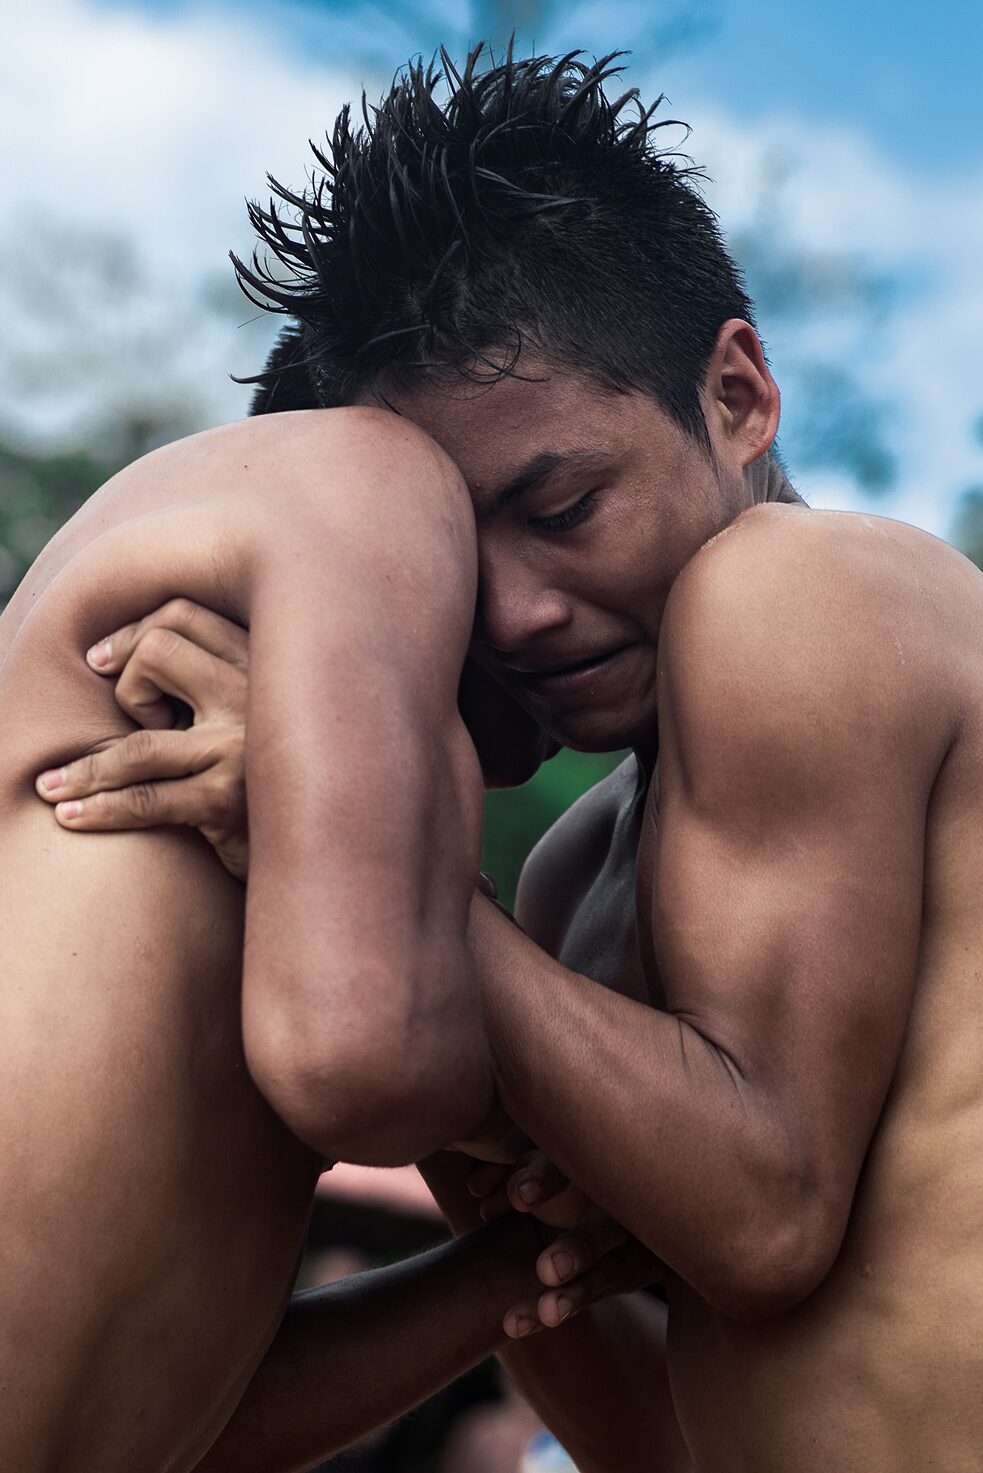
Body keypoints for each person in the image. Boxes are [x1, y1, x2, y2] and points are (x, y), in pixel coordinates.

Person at [43, 45, 983, 1473]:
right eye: (458, 561)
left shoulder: (804, 589)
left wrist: (361, 852)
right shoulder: (572, 870)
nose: (516, 612)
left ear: (737, 396)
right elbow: (650, 1430)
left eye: (563, 507)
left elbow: (770, 1218)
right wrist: (481, 1158)